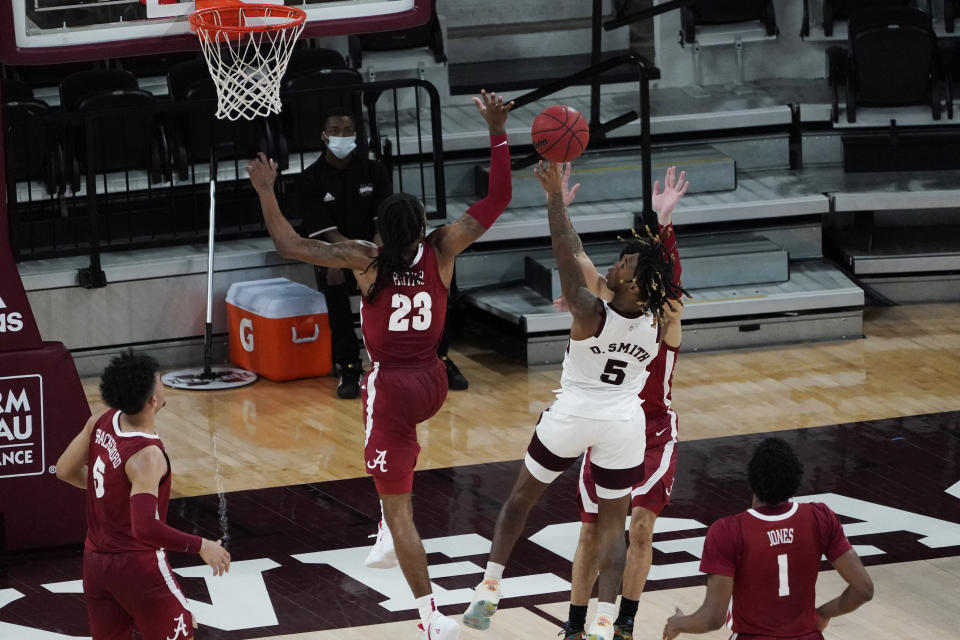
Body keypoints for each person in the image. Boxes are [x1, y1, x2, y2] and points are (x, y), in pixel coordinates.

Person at [248, 89, 513, 640]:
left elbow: (287, 242)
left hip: (390, 386)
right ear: (419, 225)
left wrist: (266, 191)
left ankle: (429, 615)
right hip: (436, 381)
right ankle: (393, 516)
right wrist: (496, 131)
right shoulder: (443, 248)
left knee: (398, 508)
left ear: (380, 231)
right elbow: (497, 198)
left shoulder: (364, 261)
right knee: (403, 440)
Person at [463, 160, 684, 640]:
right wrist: (663, 232)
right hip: (624, 426)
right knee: (611, 528)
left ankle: (489, 588)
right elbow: (644, 276)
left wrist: (553, 202)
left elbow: (568, 253)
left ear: (629, 283)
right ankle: (606, 621)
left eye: (625, 262)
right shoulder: (656, 320)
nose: (617, 261)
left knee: (521, 498)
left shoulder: (589, 310)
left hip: (574, 414)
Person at [563, 167, 689, 640]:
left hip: (653, 430)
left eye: (627, 266)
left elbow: (671, 289)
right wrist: (561, 208)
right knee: (590, 533)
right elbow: (576, 260)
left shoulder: (664, 320)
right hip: (608, 427)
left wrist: (664, 225)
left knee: (639, 526)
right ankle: (574, 626)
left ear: (642, 283)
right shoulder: (603, 304)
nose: (616, 267)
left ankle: (625, 623)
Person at [55, 351, 231, 640]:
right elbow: (145, 528)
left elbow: (63, 469)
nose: (162, 383)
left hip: (95, 563)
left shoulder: (101, 419)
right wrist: (201, 546)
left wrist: (112, 493)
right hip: (137, 569)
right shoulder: (147, 456)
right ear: (152, 401)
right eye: (159, 380)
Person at [298, 107, 468, 399]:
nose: (342, 136)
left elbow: (385, 221)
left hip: (382, 250)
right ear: (324, 137)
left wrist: (380, 253)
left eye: (348, 130)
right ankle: (349, 363)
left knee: (441, 272)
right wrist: (352, 258)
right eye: (336, 131)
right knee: (333, 276)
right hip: (342, 251)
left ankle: (439, 355)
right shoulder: (310, 179)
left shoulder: (374, 170)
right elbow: (327, 233)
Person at [662, 437, 874, 640]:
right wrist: (822, 614)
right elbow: (863, 589)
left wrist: (677, 623)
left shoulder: (728, 531)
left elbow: (713, 618)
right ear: (795, 479)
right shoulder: (820, 518)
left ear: (752, 479)